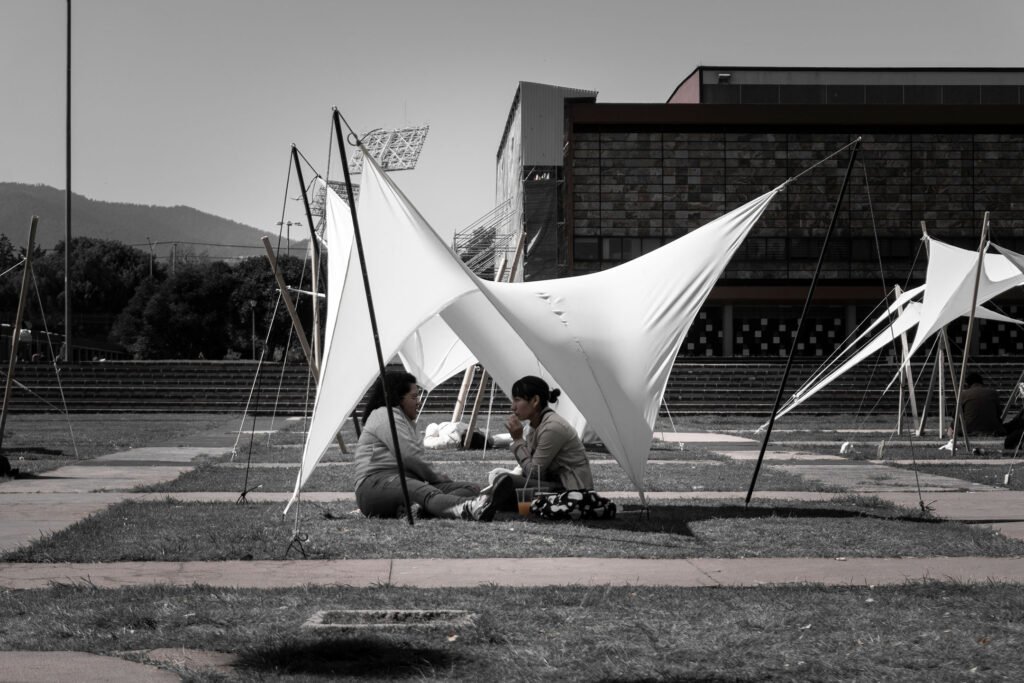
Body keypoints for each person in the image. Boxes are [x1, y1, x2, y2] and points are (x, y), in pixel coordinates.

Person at [354, 370, 512, 521]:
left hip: (406, 483)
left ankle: (423, 510)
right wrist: (436, 476)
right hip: (374, 485)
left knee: (471, 488)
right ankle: (469, 508)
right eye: (414, 397)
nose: (418, 402)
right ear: (398, 398)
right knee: (424, 491)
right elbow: (409, 455)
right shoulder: (384, 414)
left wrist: (439, 480)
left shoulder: (405, 421)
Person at [503, 375, 594, 493]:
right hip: (554, 483)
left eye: (517, 400)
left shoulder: (552, 428)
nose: (513, 407)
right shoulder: (535, 426)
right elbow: (531, 468)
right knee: (501, 478)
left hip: (572, 491)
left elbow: (534, 474)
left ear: (535, 400)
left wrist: (518, 440)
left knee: (506, 481)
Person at [955, 371, 1024, 450]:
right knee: (1016, 421)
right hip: (993, 430)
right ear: (982, 383)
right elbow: (998, 414)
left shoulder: (963, 395)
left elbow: (956, 416)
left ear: (967, 385)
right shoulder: (992, 393)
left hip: (968, 430)